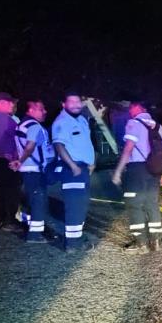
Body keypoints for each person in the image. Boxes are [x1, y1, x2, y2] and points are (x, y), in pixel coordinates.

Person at [111, 101, 162, 254]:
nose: (130, 111)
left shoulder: (133, 123)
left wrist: (118, 171)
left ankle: (141, 244)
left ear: (141, 108)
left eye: (132, 107)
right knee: (152, 204)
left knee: (134, 205)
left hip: (137, 169)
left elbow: (128, 149)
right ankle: (155, 241)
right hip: (155, 169)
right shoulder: (157, 126)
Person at [52, 92, 95, 252]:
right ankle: (73, 244)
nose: (77, 105)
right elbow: (59, 145)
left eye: (78, 101)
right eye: (72, 102)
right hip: (72, 170)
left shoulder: (81, 120)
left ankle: (76, 237)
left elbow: (86, 143)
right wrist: (73, 166)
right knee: (74, 206)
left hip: (83, 168)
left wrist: (91, 163)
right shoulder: (62, 122)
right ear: (63, 104)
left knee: (82, 205)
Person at [9, 100, 55, 243]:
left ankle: (29, 223)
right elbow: (30, 147)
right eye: (41, 109)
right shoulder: (34, 126)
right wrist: (20, 161)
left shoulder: (22, 125)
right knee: (38, 200)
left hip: (28, 169)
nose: (45, 111)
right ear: (31, 111)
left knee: (32, 199)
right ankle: (35, 235)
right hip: (34, 168)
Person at [0, 92, 22, 231]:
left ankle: (3, 219)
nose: (12, 105)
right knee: (10, 191)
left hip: (3, 159)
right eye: (9, 103)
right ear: (0, 103)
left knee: (4, 191)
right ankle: (8, 220)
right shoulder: (1, 118)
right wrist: (11, 158)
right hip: (7, 160)